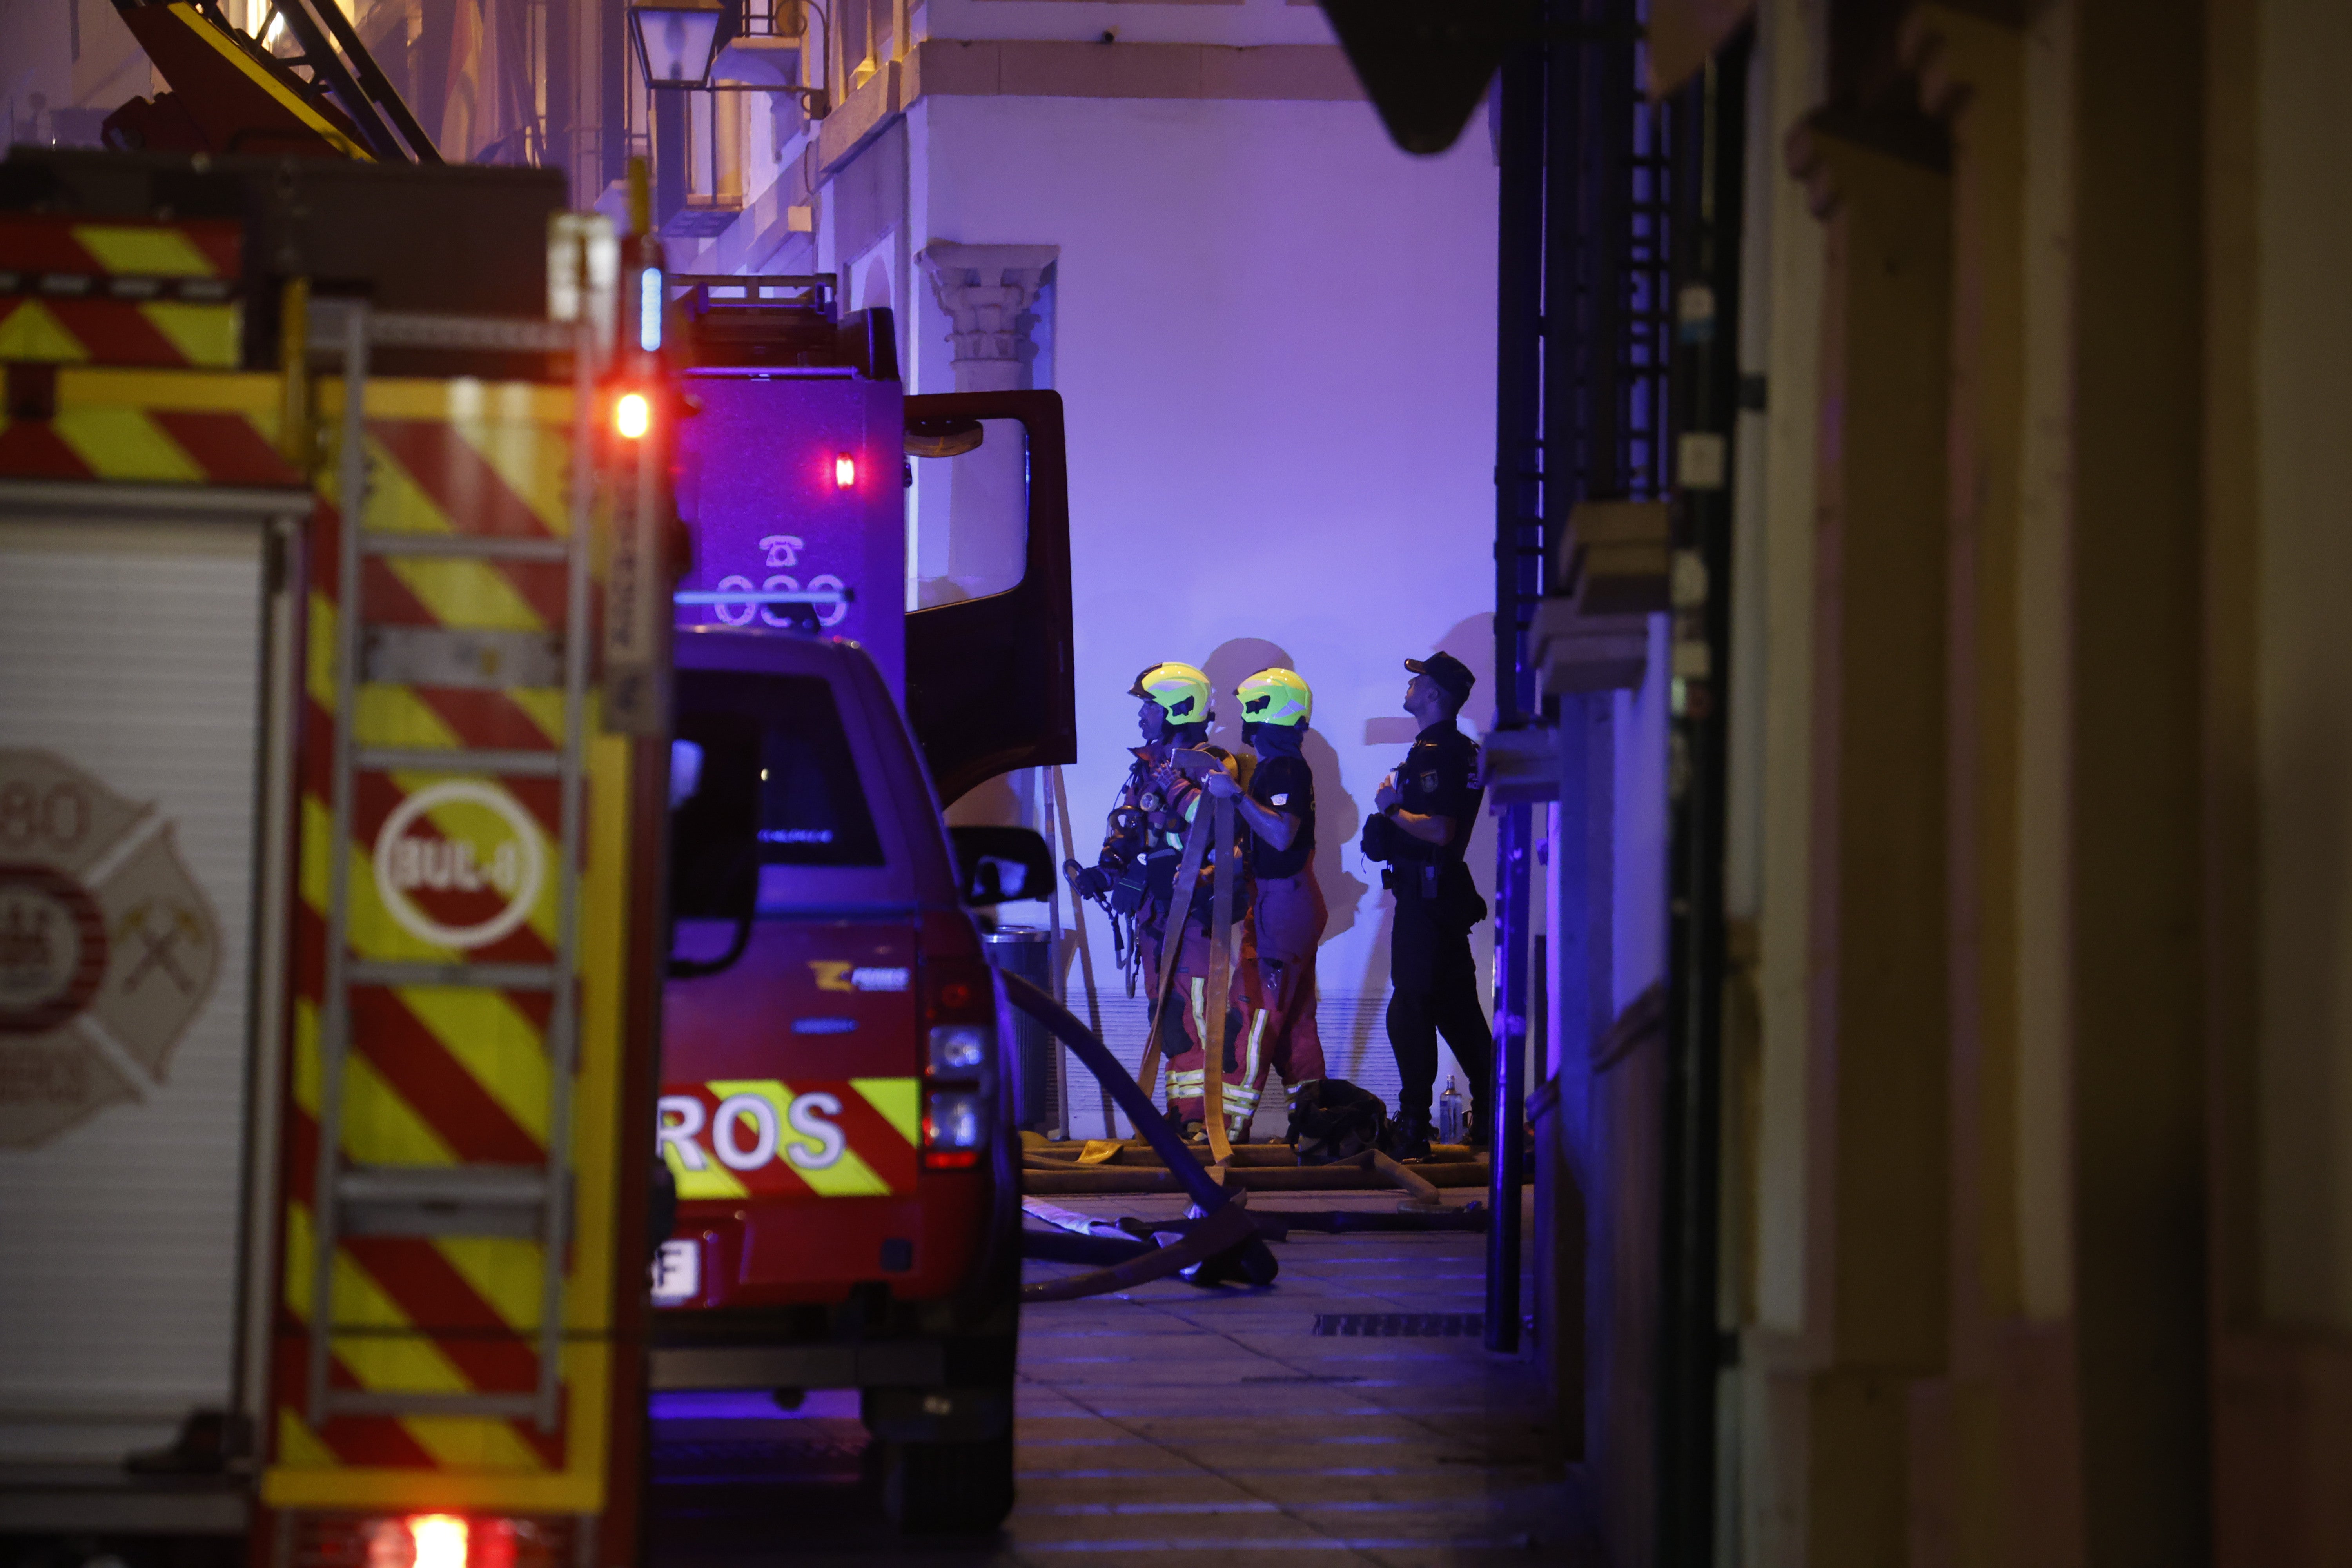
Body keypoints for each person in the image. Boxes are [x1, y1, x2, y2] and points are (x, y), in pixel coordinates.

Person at [1068, 662, 1257, 1138]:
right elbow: (1131, 827)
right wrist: (1106, 872)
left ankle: (1207, 1120)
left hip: (1194, 909)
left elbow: (1211, 820)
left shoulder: (1212, 762)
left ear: (1176, 706)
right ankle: (1182, 1112)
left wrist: (1169, 775)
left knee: (1198, 1011)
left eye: (1149, 705)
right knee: (1168, 1016)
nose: (1142, 716)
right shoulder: (1147, 766)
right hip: (1155, 913)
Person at [1367, 651, 1492, 1159]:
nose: (1411, 687)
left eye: (1419, 680)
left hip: (1427, 895)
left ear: (1436, 693)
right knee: (1458, 1009)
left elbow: (1441, 829)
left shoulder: (1436, 752)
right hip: (1439, 896)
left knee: (1412, 1008)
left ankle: (1414, 1128)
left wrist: (1391, 809)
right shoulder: (1459, 751)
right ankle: (1491, 1119)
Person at [1201, 666, 1326, 1143]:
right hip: (1287, 902)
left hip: (1284, 907)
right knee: (1295, 1021)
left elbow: (1280, 831)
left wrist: (1233, 795)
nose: (1242, 721)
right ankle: (1314, 1126)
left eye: (1247, 709)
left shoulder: (1285, 769)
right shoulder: (1282, 768)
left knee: (1253, 1010)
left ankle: (1227, 1128)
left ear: (1266, 711)